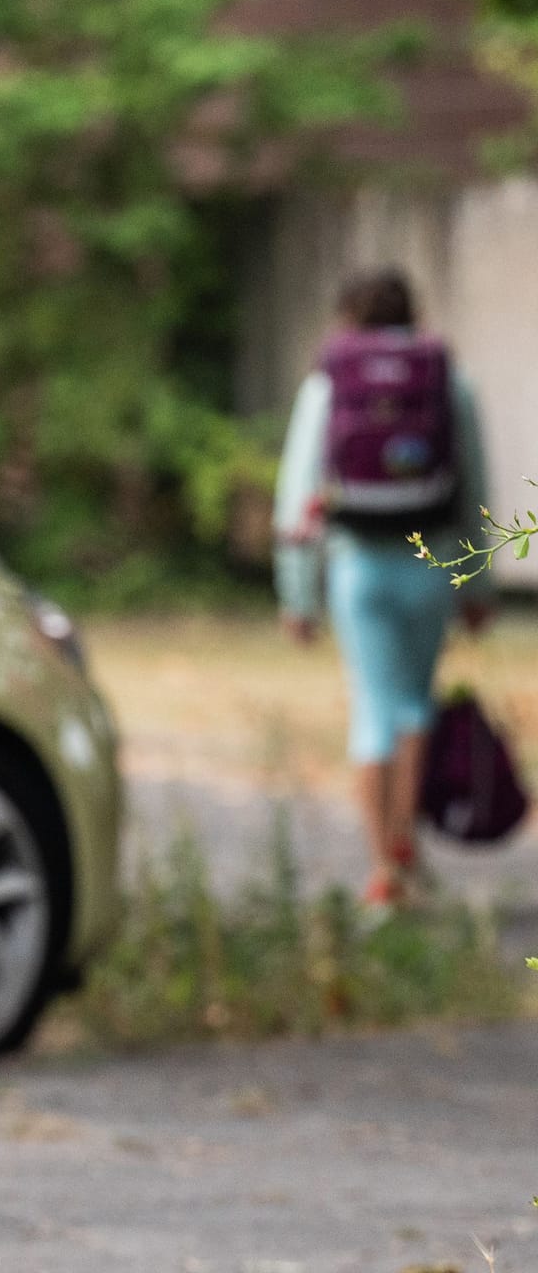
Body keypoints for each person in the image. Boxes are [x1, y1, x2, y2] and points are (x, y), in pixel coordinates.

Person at [273, 267, 492, 910]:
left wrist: (297, 596)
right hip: (432, 561)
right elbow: (475, 487)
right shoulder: (448, 380)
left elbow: (297, 494)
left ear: (348, 318)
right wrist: (477, 584)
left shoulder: (328, 384)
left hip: (358, 567)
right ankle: (406, 850)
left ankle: (383, 872)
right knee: (413, 708)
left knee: (373, 711)